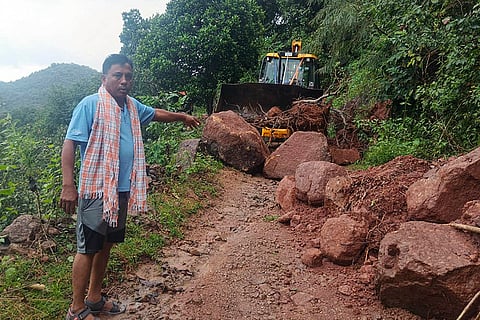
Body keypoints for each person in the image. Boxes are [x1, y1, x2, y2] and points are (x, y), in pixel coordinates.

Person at [59, 53, 200, 320]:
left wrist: (182, 116)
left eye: (128, 76)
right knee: (88, 247)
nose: (124, 81)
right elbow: (70, 144)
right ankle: (76, 310)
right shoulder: (90, 105)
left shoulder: (131, 107)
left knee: (106, 245)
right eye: (117, 76)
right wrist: (68, 185)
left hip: (121, 190)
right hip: (96, 190)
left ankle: (95, 298)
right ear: (105, 78)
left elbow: (156, 113)